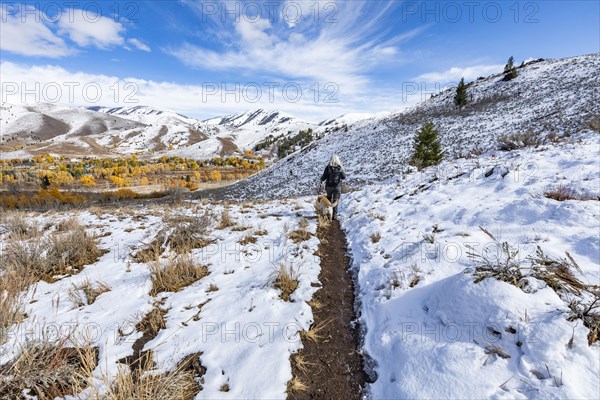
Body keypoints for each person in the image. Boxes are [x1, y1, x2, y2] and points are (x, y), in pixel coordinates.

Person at [320, 154, 346, 220]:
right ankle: (334, 215)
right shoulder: (339, 167)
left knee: (328, 199)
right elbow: (344, 177)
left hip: (328, 186)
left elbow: (323, 177)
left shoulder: (328, 167)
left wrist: (321, 179)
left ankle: (327, 213)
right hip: (337, 187)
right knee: (335, 200)